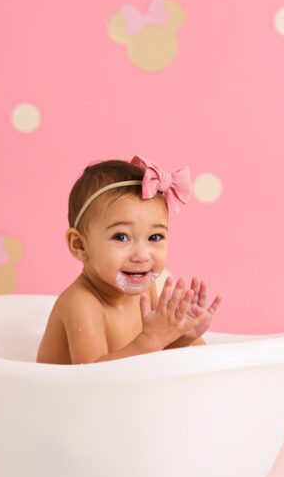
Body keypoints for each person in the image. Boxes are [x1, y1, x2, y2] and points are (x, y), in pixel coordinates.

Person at [36, 156, 221, 364]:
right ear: (80, 245)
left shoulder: (145, 291)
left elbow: (153, 355)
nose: (142, 255)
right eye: (121, 237)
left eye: (155, 237)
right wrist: (150, 340)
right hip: (59, 396)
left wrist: (183, 336)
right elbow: (92, 378)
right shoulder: (82, 303)